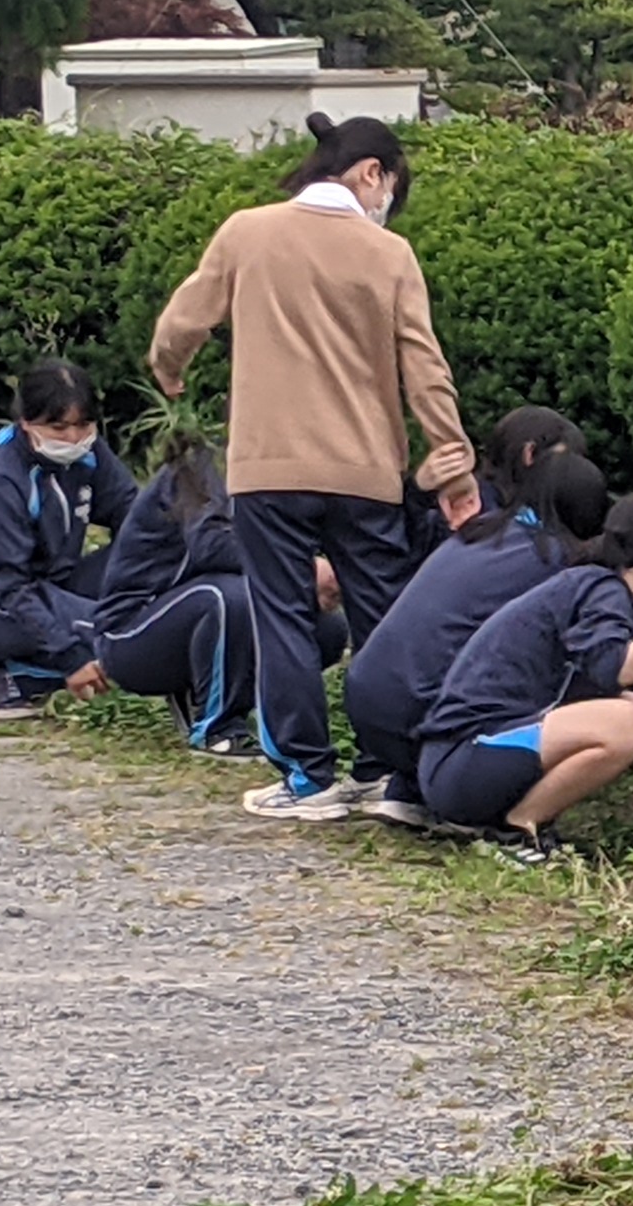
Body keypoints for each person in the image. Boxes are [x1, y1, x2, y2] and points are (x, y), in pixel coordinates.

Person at [147, 113, 481, 823]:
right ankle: (391, 773)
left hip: (270, 469)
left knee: (284, 618)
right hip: (367, 471)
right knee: (384, 619)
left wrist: (168, 369)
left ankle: (307, 777)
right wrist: (452, 466)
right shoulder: (389, 256)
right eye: (392, 184)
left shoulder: (248, 231)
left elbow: (184, 320)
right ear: (371, 172)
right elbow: (425, 369)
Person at [414, 490, 633, 863]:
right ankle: (519, 830)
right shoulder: (601, 590)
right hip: (465, 759)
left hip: (458, 765)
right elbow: (616, 666)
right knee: (624, 723)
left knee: (623, 711)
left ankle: (519, 824)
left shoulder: (586, 587)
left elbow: (622, 697)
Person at [344, 408, 606, 825]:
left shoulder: (482, 525)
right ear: (532, 456)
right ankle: (490, 807)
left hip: (365, 697)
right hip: (419, 716)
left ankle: (407, 788)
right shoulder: (552, 560)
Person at [92, 433, 347, 758]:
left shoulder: (295, 468)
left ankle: (266, 717)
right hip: (134, 631)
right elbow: (210, 546)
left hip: (203, 614)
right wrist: (302, 569)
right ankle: (217, 728)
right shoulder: (205, 458)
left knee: (328, 631)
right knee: (231, 598)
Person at [0, 359, 139, 716]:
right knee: (123, 635)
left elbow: (135, 517)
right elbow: (9, 586)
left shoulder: (89, 452)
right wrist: (71, 655)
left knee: (152, 568)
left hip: (59, 581)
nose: (74, 438)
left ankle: (39, 668)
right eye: (58, 428)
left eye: (84, 425)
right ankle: (9, 666)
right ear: (26, 422)